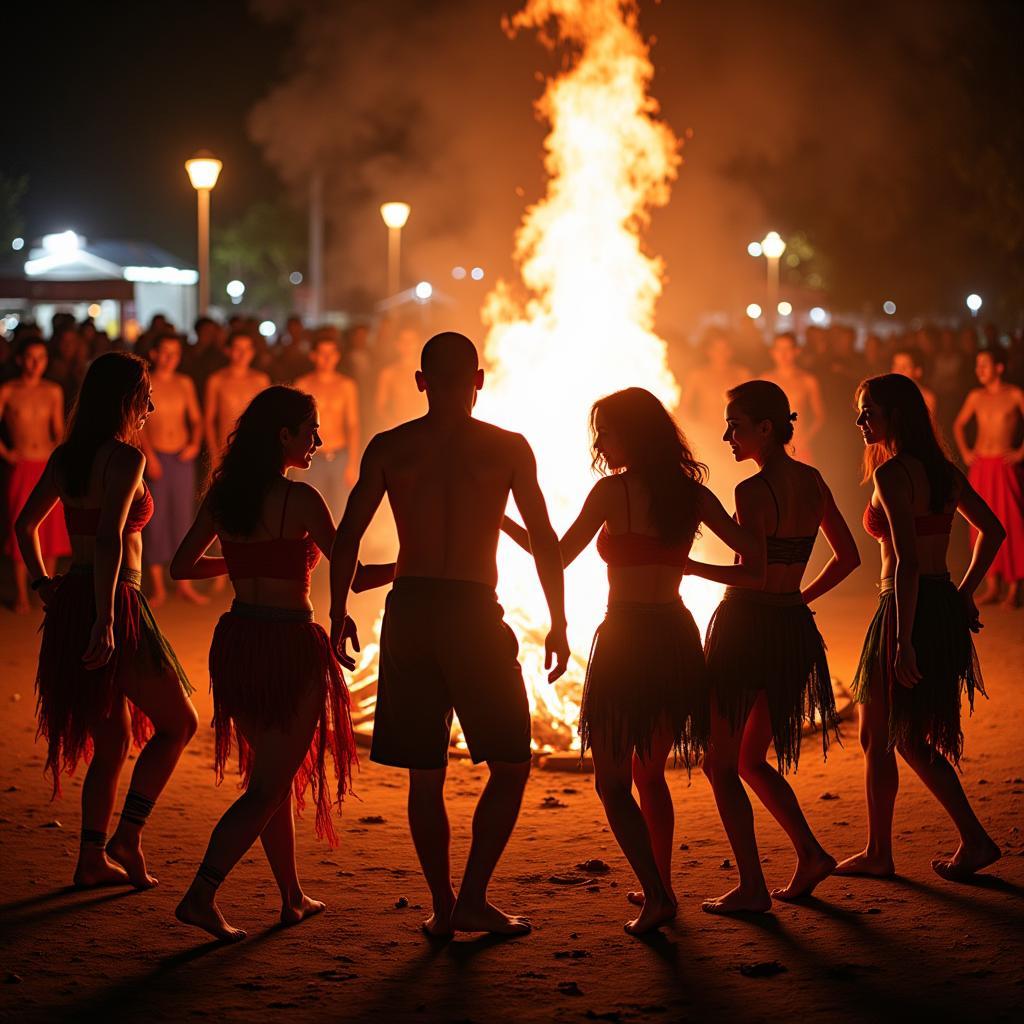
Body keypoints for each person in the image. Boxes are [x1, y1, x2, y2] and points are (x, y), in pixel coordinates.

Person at [330, 331, 569, 939]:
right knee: (512, 763)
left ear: (420, 381)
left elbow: (347, 537)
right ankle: (470, 899)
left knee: (425, 772)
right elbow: (543, 538)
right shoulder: (508, 447)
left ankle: (444, 906)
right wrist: (559, 621)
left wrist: (336, 612)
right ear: (480, 381)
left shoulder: (391, 446)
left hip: (410, 612)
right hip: (469, 611)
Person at [500, 387, 759, 933]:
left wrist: (500, 520)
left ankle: (660, 895)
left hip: (625, 641)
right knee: (650, 774)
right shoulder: (692, 495)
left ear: (632, 435)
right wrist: (691, 567)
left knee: (613, 784)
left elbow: (557, 554)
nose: (600, 443)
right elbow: (754, 557)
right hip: (674, 637)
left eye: (606, 431)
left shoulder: (610, 492)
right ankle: (657, 886)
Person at [171, 386, 356, 942]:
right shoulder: (300, 500)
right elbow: (352, 570)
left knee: (271, 776)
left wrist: (239, 561)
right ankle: (201, 895)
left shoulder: (225, 497)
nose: (318, 440)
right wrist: (410, 566)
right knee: (269, 785)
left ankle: (292, 897)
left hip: (239, 643)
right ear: (284, 436)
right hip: (287, 647)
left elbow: (182, 565)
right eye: (310, 430)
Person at [15, 352, 197, 889]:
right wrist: (105, 620)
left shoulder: (67, 457)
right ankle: (127, 836)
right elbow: (110, 536)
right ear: (125, 400)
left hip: (75, 600)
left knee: (114, 742)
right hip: (112, 602)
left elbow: (26, 526)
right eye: (145, 395)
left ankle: (91, 857)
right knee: (180, 724)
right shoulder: (124, 459)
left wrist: (44, 584)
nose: (152, 405)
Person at [686, 381, 860, 914]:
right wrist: (798, 597)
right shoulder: (812, 481)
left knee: (722, 764)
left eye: (734, 425)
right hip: (792, 630)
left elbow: (754, 574)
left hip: (747, 632)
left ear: (765, 428)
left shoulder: (751, 492)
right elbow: (848, 556)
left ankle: (752, 887)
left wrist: (687, 566)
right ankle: (810, 853)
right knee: (750, 761)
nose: (726, 435)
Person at [836, 373, 1003, 882]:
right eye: (860, 412)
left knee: (893, 735)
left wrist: (903, 639)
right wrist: (963, 591)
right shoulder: (944, 472)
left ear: (897, 416)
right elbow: (991, 531)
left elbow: (905, 561)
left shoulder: (893, 475)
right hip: (937, 601)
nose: (862, 421)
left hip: (903, 606)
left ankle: (910, 848)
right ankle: (894, 847)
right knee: (885, 734)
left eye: (871, 412)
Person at [1, 337, 70, 612]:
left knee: (50, 529)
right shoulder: (8, 390)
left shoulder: (52, 390)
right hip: (21, 465)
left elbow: (57, 429)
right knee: (22, 524)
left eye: (40, 358)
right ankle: (21, 593)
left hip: (46, 463)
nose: (35, 363)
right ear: (20, 360)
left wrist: (61, 457)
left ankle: (48, 588)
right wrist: (6, 453)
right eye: (30, 357)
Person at [951, 349, 1024, 607]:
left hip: (1004, 467)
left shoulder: (1015, 395)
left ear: (1000, 367)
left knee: (1011, 522)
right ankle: (992, 586)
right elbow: (958, 424)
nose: (979, 370)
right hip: (981, 465)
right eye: (977, 364)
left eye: (984, 364)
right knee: (980, 522)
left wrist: (1020, 452)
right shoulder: (975, 396)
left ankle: (1014, 589)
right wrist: (967, 452)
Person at [140, 333, 206, 606]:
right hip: (156, 458)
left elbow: (197, 419)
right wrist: (149, 456)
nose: (170, 358)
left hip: (181, 458)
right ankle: (158, 587)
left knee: (183, 518)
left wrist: (193, 443)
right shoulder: (145, 382)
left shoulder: (185, 383)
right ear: (154, 353)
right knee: (154, 521)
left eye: (175, 353)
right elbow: (138, 422)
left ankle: (185, 584)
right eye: (165, 352)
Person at [292, 333, 360, 516]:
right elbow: (296, 425)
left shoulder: (347, 385)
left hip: (340, 455)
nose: (327, 358)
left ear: (338, 356)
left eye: (331, 353)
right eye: (322, 353)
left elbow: (353, 425)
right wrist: (296, 460)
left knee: (343, 511)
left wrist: (353, 462)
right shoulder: (303, 384)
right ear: (313, 355)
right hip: (311, 457)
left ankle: (341, 545)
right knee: (310, 511)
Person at [204, 331, 272, 470]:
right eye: (237, 348)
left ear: (253, 352)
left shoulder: (261, 380)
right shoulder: (216, 380)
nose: (242, 353)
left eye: (247, 349)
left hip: (255, 450)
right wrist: (214, 454)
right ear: (228, 350)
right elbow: (209, 420)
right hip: (226, 450)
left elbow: (268, 418)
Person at [758, 333, 826, 462]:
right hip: (771, 448)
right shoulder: (764, 380)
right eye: (779, 349)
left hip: (799, 447)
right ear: (772, 352)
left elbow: (819, 416)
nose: (783, 354)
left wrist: (805, 438)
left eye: (788, 349)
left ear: (796, 351)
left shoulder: (808, 380)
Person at [374, 325, 424, 429]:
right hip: (400, 428)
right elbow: (380, 407)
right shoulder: (388, 373)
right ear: (397, 345)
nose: (408, 345)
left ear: (418, 343)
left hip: (426, 428)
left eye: (412, 340)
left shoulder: (427, 371)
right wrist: (394, 425)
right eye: (403, 340)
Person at [891, 346, 938, 417]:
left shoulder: (926, 398)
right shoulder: (888, 396)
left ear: (918, 371)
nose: (898, 372)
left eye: (904, 368)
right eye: (895, 367)